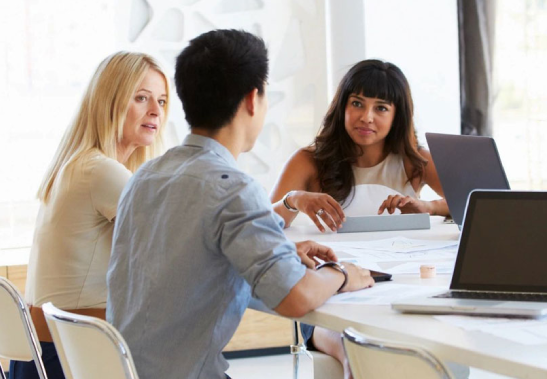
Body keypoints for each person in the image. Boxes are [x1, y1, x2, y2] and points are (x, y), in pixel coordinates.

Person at [106, 29, 375, 379]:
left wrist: (281, 254)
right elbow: (295, 298)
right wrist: (341, 275)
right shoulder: (231, 188)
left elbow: (188, 263)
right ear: (252, 99)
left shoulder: (146, 176)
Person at [269, 59, 449, 372]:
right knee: (349, 342)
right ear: (342, 107)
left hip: (397, 287)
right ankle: (354, 365)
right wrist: (294, 199)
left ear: (397, 115)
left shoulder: (414, 161)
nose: (366, 117)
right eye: (357, 104)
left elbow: (475, 202)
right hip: (331, 292)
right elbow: (264, 225)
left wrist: (429, 207)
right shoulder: (308, 161)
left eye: (381, 108)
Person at [15, 52, 170, 379]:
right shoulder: (101, 172)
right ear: (109, 102)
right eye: (141, 98)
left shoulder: (78, 164)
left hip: (43, 357)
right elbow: (183, 237)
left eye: (162, 101)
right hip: (71, 360)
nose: (156, 111)